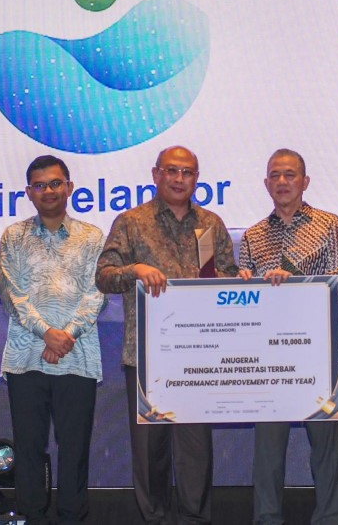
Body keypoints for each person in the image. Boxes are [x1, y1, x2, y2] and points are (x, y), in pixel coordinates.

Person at [97, 146, 238, 525]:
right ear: (156, 174)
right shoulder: (132, 222)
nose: (179, 179)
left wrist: (223, 281)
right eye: (172, 171)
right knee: (150, 454)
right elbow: (104, 276)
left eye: (187, 172)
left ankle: (195, 519)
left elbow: (226, 277)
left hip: (199, 356)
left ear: (197, 178)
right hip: (148, 357)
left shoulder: (210, 225)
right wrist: (135, 270)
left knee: (196, 454)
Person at [237, 149, 338, 525]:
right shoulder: (253, 236)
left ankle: (329, 519)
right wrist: (242, 285)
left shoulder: (329, 225)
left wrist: (299, 283)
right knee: (268, 453)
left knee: (325, 451)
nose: (283, 181)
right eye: (275, 175)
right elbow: (244, 302)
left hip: (317, 356)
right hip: (267, 359)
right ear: (266, 183)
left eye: (290, 174)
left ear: (305, 181)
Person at [0, 155, 106, 523]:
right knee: (28, 449)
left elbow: (96, 294)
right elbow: (12, 295)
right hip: (26, 359)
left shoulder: (92, 237)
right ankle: (31, 516)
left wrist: (67, 335)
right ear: (29, 192)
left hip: (78, 358)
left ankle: (73, 516)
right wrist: (47, 333)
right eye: (40, 185)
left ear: (69, 187)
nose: (48, 191)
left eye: (56, 183)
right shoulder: (13, 236)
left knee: (75, 450)